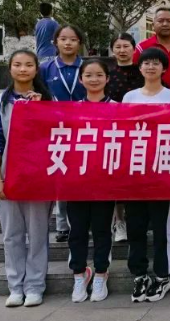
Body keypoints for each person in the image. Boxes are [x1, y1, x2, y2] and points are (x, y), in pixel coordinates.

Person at [0, 50, 53, 308]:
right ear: (10, 69)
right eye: (18, 65)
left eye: (28, 65)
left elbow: (56, 136)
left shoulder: (48, 100)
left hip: (39, 180)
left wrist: (40, 110)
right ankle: (15, 286)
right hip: (8, 178)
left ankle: (35, 286)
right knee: (11, 234)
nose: (23, 69)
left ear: (36, 69)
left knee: (38, 234)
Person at [122, 47, 170, 303]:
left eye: (156, 63)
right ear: (139, 67)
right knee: (135, 227)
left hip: (162, 173)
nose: (150, 67)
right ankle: (139, 274)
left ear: (164, 68)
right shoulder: (129, 97)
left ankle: (162, 275)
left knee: (161, 228)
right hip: (135, 173)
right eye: (146, 63)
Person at [65, 58, 116, 303]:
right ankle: (79, 274)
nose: (93, 79)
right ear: (80, 79)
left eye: (99, 75)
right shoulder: (71, 109)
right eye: (88, 75)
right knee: (77, 231)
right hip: (76, 182)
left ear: (107, 79)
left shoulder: (118, 108)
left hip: (105, 182)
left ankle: (101, 274)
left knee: (102, 230)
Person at [39, 24, 86, 242]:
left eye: (73, 39)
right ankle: (62, 224)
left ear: (79, 43)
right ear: (55, 42)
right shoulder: (46, 68)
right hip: (56, 130)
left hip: (84, 129)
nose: (68, 43)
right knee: (61, 175)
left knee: (84, 175)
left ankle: (84, 222)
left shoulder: (87, 66)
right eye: (63, 39)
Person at [106, 33, 142, 244]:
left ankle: (138, 220)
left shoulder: (143, 72)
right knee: (116, 178)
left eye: (126, 46)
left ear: (134, 49)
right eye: (117, 46)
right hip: (114, 133)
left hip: (141, 133)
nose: (122, 50)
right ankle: (119, 221)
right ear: (112, 50)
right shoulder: (107, 74)